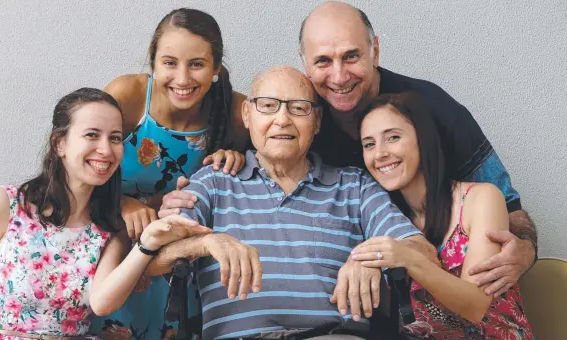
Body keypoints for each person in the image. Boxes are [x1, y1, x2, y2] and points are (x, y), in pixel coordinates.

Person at [147, 66, 437, 339]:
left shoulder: (355, 186)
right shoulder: (213, 181)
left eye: (298, 108)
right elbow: (152, 258)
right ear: (247, 115)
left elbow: (422, 250)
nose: (282, 119)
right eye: (268, 106)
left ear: (318, 121)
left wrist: (371, 256)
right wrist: (206, 244)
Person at [298, 1, 538, 297]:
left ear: (375, 50)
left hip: (454, 300)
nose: (339, 76)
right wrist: (226, 156)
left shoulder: (434, 108)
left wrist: (525, 249)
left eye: (351, 56)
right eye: (322, 61)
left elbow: (509, 207)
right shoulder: (300, 119)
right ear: (304, 62)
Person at [0, 88, 211, 339]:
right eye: (92, 135)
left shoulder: (110, 226)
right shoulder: (5, 204)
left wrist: (147, 242)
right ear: (59, 143)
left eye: (115, 138)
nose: (106, 150)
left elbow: (102, 302)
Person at [88, 8, 249, 339]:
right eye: (170, 63)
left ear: (216, 67)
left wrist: (237, 159)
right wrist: (121, 202)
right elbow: (80, 164)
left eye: (197, 64)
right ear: (153, 62)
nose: (183, 78)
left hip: (175, 266)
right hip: (110, 252)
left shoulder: (235, 112)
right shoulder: (129, 96)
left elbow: (265, 172)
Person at [352, 92, 533, 339]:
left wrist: (410, 258)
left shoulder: (480, 199)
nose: (379, 153)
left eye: (393, 137)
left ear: (423, 140)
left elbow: (475, 305)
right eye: (369, 144)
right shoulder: (382, 215)